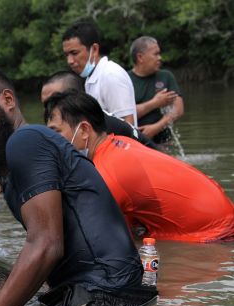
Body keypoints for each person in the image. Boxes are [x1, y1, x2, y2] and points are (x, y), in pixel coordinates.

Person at [0, 69, 155, 306]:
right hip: (114, 296)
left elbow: (46, 245)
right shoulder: (16, 160)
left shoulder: (26, 140)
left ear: (7, 100)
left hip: (103, 300)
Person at [44, 90, 234, 243]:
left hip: (212, 235)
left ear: (84, 130)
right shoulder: (119, 142)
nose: (52, 141)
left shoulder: (106, 173)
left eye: (56, 132)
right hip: (220, 213)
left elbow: (93, 240)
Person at [41, 71, 159, 150]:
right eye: (45, 105)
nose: (48, 110)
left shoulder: (97, 127)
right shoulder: (88, 117)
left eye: (53, 102)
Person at [62, 21, 138, 126]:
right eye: (67, 55)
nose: (69, 61)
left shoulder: (111, 75)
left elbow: (127, 125)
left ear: (94, 49)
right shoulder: (92, 77)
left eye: (74, 53)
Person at [128, 36, 184, 144]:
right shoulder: (125, 79)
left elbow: (178, 109)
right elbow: (124, 114)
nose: (160, 58)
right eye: (156, 54)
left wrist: (156, 127)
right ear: (140, 57)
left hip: (163, 140)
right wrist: (154, 103)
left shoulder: (166, 76)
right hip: (137, 141)